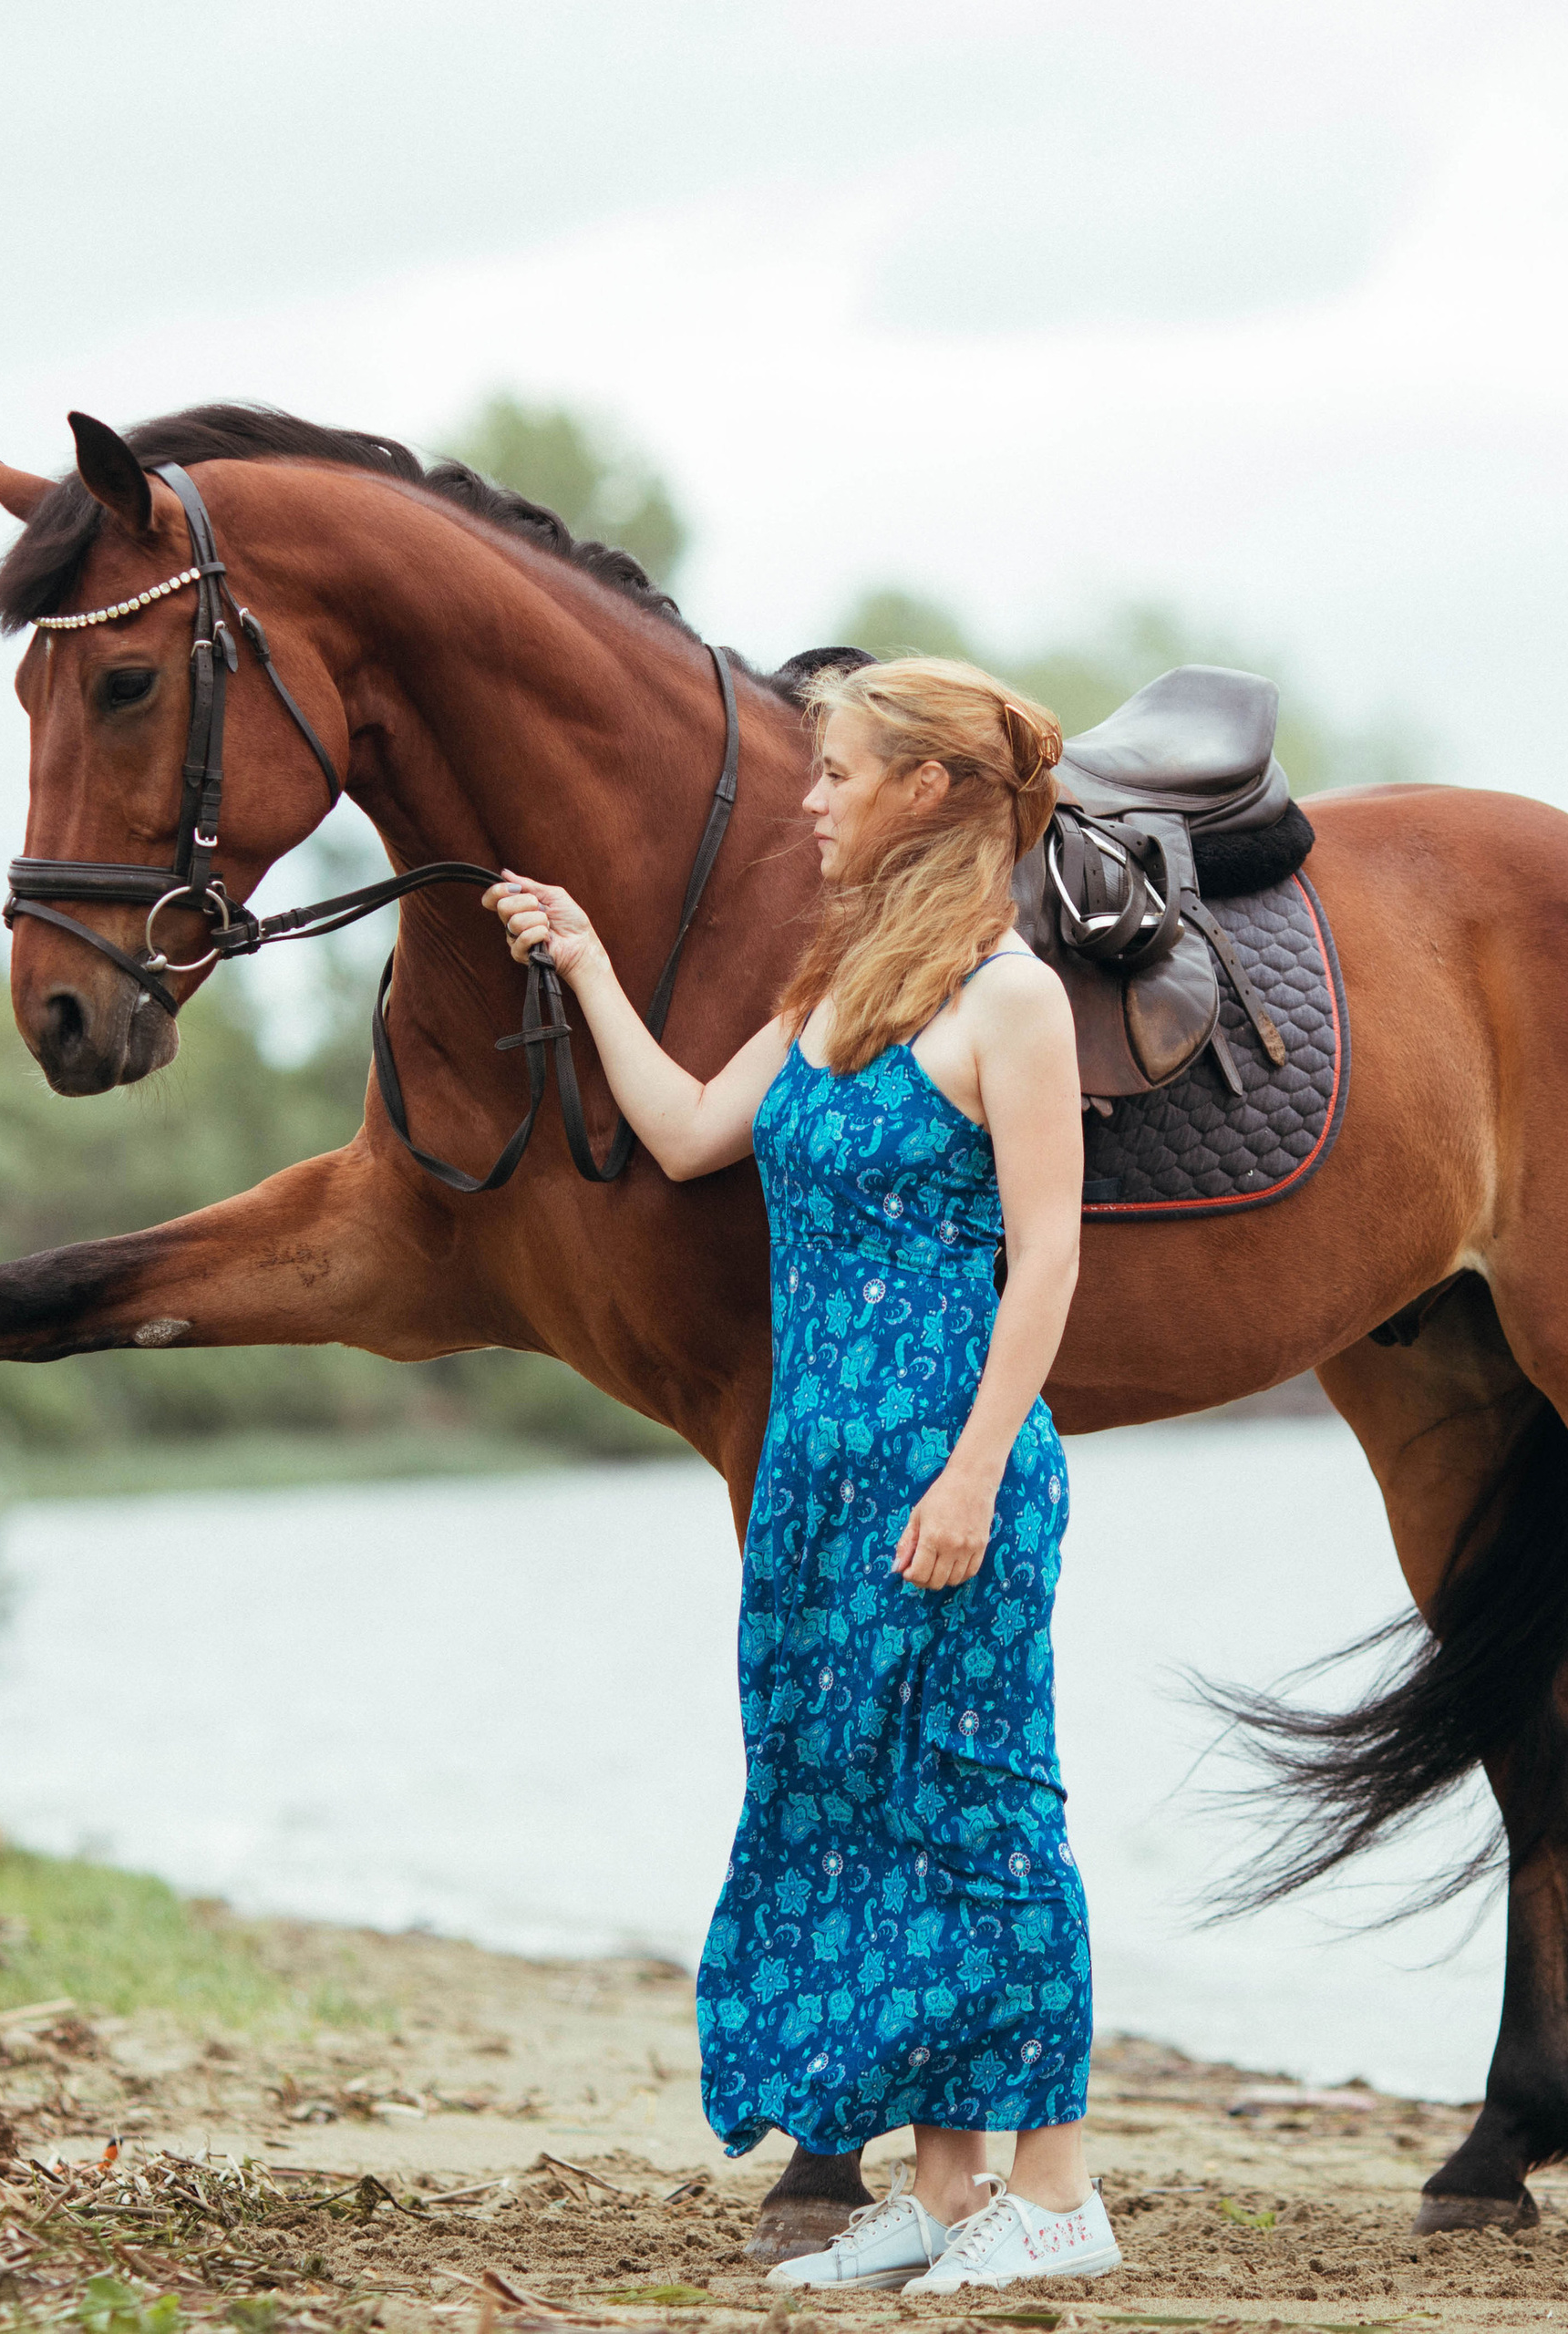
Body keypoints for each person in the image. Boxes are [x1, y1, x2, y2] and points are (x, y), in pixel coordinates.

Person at [482, 656, 1114, 2294]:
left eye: (837, 772)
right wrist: (587, 958)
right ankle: (948, 2189)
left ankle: (1057, 2194)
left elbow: (1048, 1259)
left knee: (985, 1808)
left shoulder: (1013, 999)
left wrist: (974, 1475)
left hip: (949, 1461)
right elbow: (691, 1131)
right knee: (855, 1806)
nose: (812, 800)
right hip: (816, 1481)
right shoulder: (834, 986)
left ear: (926, 792)